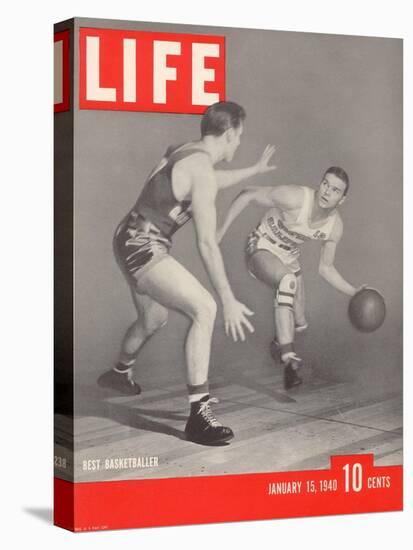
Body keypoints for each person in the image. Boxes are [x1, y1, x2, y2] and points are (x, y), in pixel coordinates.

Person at [98, 101, 276, 444]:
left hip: (126, 234)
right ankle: (199, 414)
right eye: (239, 137)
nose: (239, 143)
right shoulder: (202, 172)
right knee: (205, 308)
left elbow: (207, 180)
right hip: (144, 245)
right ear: (228, 134)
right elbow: (207, 244)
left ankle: (120, 373)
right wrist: (228, 299)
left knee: (153, 319)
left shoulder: (184, 151)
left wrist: (253, 170)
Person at [217, 166, 365, 390]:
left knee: (300, 323)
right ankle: (288, 357)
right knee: (287, 282)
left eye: (335, 190)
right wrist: (218, 233)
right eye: (325, 184)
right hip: (261, 245)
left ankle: (279, 345)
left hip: (288, 258)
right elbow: (247, 194)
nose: (326, 192)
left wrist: (355, 292)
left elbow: (326, 269)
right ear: (320, 183)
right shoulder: (295, 197)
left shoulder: (335, 226)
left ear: (342, 199)